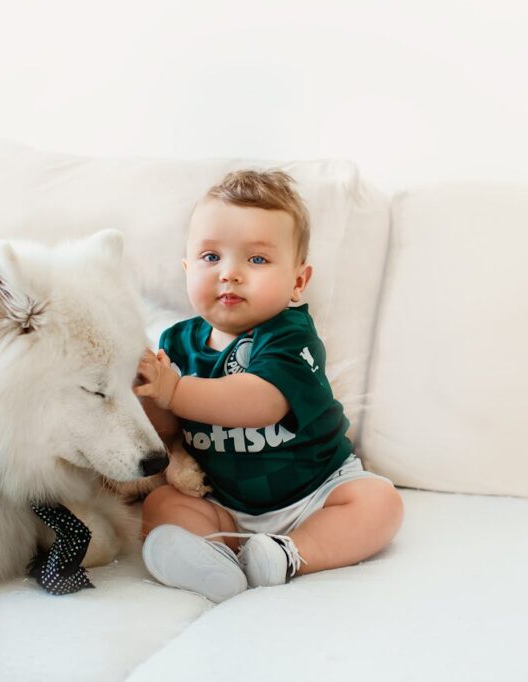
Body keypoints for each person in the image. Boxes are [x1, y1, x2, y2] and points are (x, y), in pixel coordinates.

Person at [134, 169, 403, 603]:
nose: (230, 273)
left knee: (380, 503)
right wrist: (148, 395)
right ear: (187, 268)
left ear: (297, 282)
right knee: (161, 505)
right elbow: (169, 433)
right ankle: (215, 559)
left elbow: (262, 402)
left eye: (256, 259)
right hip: (224, 501)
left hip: (315, 491)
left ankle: (291, 553)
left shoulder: (290, 335)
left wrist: (175, 391)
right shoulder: (175, 343)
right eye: (210, 257)